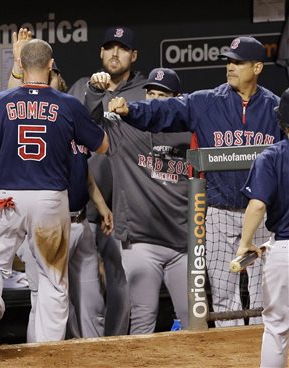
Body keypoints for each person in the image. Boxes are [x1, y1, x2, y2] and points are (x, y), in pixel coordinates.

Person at [110, 36, 283, 327]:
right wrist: (132, 111)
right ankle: (231, 357)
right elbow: (166, 111)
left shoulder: (274, 109)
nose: (230, 67)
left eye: (238, 62)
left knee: (262, 296)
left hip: (262, 214)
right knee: (224, 294)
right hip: (217, 213)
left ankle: (260, 354)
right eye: (228, 61)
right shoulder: (206, 102)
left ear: (257, 67)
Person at [0, 39, 109, 346]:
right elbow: (102, 145)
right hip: (50, 198)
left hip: (6, 196)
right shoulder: (67, 103)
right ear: (51, 66)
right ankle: (46, 354)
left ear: (20, 65)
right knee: (53, 282)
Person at [8, 29, 112, 340]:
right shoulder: (27, 119)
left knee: (91, 304)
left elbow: (84, 170)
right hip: (49, 225)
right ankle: (38, 359)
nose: (47, 81)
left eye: (52, 76)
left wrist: (101, 204)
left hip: (81, 223)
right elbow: (11, 98)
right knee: (44, 302)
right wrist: (17, 60)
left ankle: (91, 358)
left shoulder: (69, 115)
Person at [85, 68, 191, 334]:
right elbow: (89, 123)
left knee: (193, 319)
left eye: (163, 95)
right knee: (143, 318)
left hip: (184, 244)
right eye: (151, 93)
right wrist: (95, 92)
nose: (154, 100)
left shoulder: (192, 133)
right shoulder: (124, 127)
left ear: (178, 99)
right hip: (142, 243)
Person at [70, 25, 147, 336]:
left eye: (122, 48)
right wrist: (93, 92)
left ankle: (116, 343)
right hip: (84, 201)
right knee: (79, 282)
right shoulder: (80, 88)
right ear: (101, 52)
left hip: (126, 200)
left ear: (133, 55)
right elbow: (75, 131)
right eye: (110, 47)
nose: (115, 53)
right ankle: (80, 344)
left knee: (119, 278)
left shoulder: (144, 91)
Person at [237, 87, 289, 367]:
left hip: (283, 251)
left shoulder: (271, 156)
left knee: (277, 329)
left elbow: (257, 205)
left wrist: (245, 244)